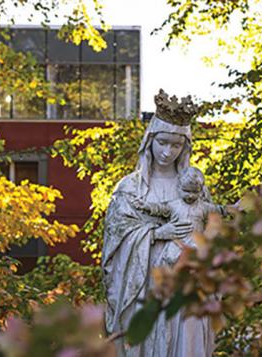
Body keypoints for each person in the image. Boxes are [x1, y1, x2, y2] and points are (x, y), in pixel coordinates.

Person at [102, 90, 215, 356]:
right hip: (144, 281)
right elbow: (115, 239)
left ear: (185, 147)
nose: (168, 151)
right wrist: (155, 234)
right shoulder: (131, 187)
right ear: (150, 140)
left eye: (176, 145)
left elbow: (210, 232)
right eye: (163, 142)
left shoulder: (196, 187)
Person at [132, 166, 228, 265]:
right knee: (169, 257)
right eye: (186, 191)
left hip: (194, 240)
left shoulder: (203, 207)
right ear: (178, 188)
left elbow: (218, 210)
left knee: (198, 256)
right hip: (176, 241)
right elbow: (160, 208)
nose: (190, 195)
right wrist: (146, 206)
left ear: (200, 191)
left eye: (195, 192)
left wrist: (233, 209)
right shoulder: (173, 205)